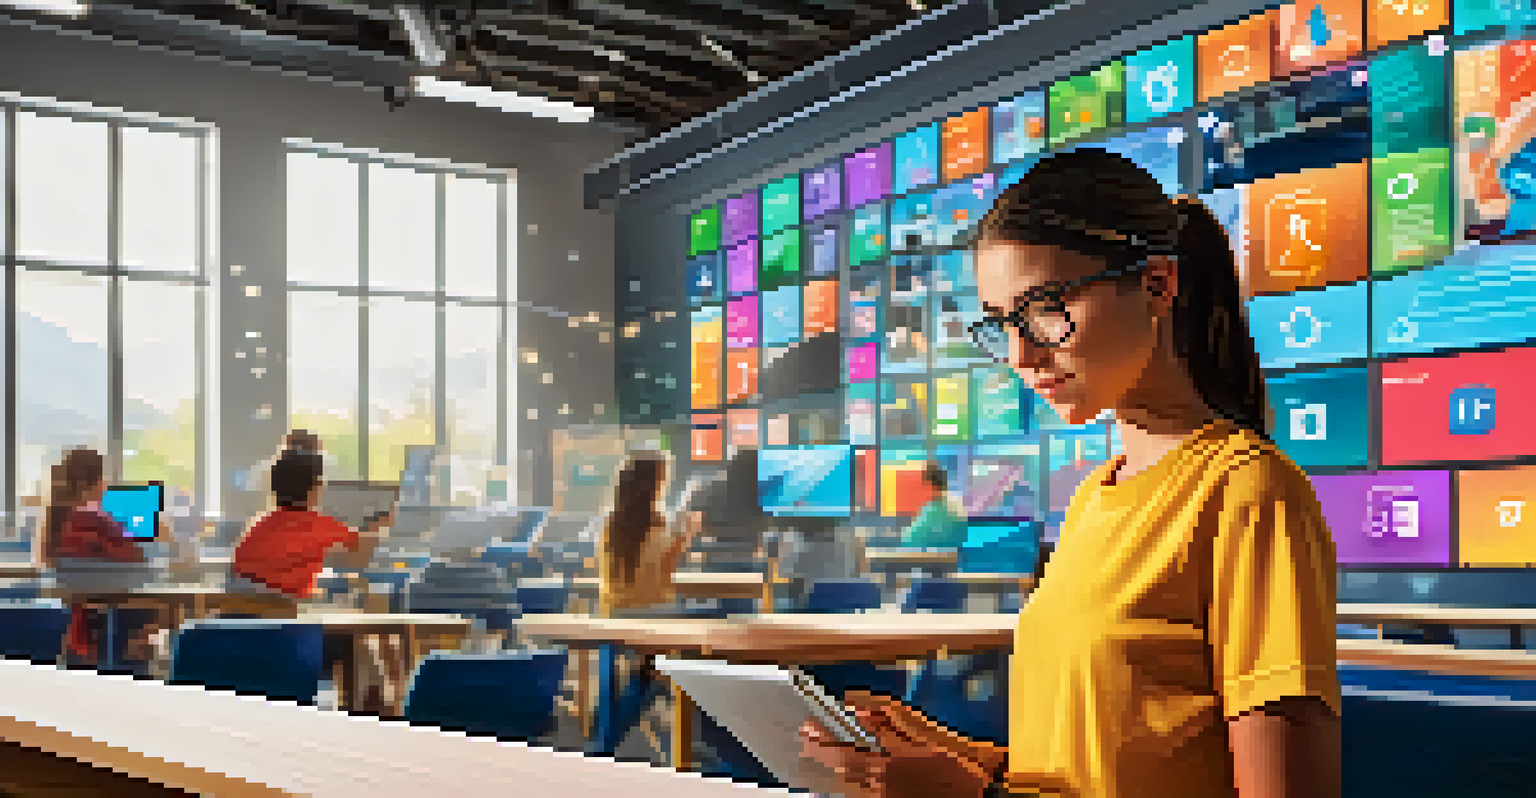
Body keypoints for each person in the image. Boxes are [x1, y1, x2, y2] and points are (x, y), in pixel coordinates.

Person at [801, 149, 1341, 798]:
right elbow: (1092, 771)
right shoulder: (1094, 497)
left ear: (1157, 286)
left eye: (1045, 308)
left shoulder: (1249, 493)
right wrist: (952, 753)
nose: (1022, 357)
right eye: (1003, 325)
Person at [232, 448, 398, 712]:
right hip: (295, 641)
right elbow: (361, 556)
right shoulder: (319, 526)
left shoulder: (255, 528)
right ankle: (371, 719)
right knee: (360, 645)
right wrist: (381, 526)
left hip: (242, 637)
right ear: (316, 488)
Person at [40, 447, 168, 668]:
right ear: (97, 481)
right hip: (115, 633)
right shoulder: (96, 519)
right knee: (163, 606)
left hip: (74, 632)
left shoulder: (55, 520)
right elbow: (142, 567)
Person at [900, 462, 968, 549]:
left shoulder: (934, 508)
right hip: (954, 557)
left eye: (923, 484)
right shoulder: (956, 503)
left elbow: (910, 539)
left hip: (932, 557)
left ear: (930, 485)